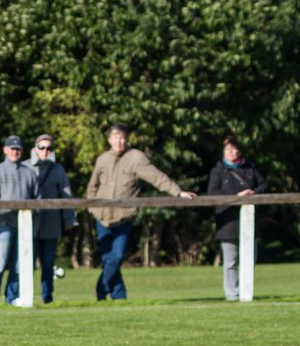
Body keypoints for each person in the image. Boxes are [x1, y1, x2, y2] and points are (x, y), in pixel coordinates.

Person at [85, 124, 196, 300]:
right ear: (109, 140)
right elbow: (92, 187)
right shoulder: (102, 159)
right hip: (102, 217)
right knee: (108, 260)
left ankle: (101, 289)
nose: (119, 141)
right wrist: (92, 208)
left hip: (124, 218)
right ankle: (119, 297)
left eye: (122, 137)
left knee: (117, 256)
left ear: (127, 139)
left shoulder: (136, 157)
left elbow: (158, 178)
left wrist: (178, 192)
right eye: (115, 137)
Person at [207, 135, 268, 301]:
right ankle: (232, 294)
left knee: (249, 260)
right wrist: (236, 196)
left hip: (249, 221)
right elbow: (212, 193)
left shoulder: (250, 168)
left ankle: (246, 291)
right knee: (230, 261)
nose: (231, 152)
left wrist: (253, 194)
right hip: (228, 221)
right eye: (228, 149)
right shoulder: (218, 171)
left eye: (234, 149)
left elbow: (263, 185)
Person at [0, 135, 37, 306]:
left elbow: (37, 199)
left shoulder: (29, 172)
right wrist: (0, 218)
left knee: (19, 266)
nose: (15, 152)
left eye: (18, 149)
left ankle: (12, 298)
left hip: (24, 226)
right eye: (12, 149)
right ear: (5, 150)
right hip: (2, 224)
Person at [24, 133, 76, 304]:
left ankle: (47, 297)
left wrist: (69, 219)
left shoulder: (58, 170)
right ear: (35, 148)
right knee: (26, 264)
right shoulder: (25, 167)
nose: (45, 151)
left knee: (47, 264)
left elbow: (66, 196)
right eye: (42, 147)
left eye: (49, 148)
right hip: (29, 224)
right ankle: (25, 297)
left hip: (51, 224)